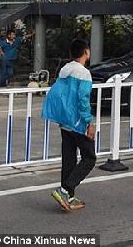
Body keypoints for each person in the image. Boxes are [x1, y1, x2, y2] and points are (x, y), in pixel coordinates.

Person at [41, 39, 96, 212]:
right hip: (77, 122)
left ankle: (69, 197)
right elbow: (83, 100)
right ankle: (65, 190)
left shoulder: (64, 70)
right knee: (89, 158)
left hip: (64, 121)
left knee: (69, 159)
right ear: (86, 52)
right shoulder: (83, 73)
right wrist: (89, 122)